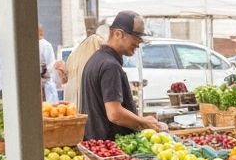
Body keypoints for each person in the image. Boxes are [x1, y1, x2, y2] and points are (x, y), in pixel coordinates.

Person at [79, 11, 164, 139]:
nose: (139, 43)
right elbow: (115, 114)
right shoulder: (110, 66)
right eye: (136, 36)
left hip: (96, 144)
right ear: (118, 34)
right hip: (109, 148)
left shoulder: (96, 59)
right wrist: (143, 122)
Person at [38, 25, 59, 103]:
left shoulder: (44, 45)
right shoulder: (46, 45)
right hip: (46, 84)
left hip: (45, 84)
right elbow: (51, 67)